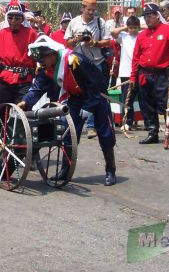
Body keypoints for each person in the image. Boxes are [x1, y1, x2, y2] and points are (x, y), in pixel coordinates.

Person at [19, 35, 118, 185]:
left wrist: (88, 107)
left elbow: (97, 83)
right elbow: (38, 87)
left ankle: (110, 170)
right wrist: (25, 102)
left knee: (105, 133)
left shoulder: (74, 60)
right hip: (76, 98)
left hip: (97, 97)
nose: (40, 63)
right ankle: (66, 169)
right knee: (67, 131)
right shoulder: (46, 68)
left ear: (52, 54)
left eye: (42, 59)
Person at [130, 3, 169, 147]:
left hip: (161, 75)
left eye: (149, 16)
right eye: (145, 17)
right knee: (147, 105)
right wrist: (133, 77)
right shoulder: (142, 35)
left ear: (157, 16)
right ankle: (152, 132)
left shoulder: (168, 30)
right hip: (144, 74)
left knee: (166, 104)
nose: (146, 19)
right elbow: (136, 58)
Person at [64, 0, 111, 139]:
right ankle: (75, 124)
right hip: (78, 65)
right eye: (89, 9)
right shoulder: (74, 22)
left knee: (96, 96)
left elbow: (108, 41)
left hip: (96, 64)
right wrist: (76, 39)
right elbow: (67, 44)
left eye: (93, 10)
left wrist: (94, 43)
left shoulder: (100, 22)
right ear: (82, 8)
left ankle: (92, 126)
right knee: (78, 94)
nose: (91, 12)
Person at [0, 0, 38, 108]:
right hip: (5, 80)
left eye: (17, 18)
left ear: (22, 19)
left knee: (21, 113)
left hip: (24, 80)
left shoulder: (31, 34)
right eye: (10, 17)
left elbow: (37, 57)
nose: (13, 21)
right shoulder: (2, 34)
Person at [116, 15, 141, 130]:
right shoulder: (123, 36)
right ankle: (127, 121)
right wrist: (124, 28)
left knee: (142, 96)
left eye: (135, 27)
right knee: (127, 97)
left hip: (139, 70)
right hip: (126, 71)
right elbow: (112, 32)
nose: (133, 30)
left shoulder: (142, 36)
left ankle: (147, 120)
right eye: (131, 27)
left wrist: (140, 27)